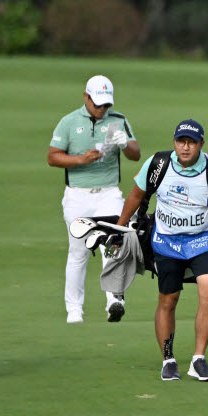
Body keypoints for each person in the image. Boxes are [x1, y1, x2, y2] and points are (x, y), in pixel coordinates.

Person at [115, 119, 208, 381]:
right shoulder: (157, 164)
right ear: (174, 142)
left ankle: (198, 359)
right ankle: (168, 359)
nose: (186, 147)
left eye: (191, 142)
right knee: (168, 301)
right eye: (181, 141)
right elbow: (135, 196)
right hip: (166, 244)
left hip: (201, 243)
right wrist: (119, 228)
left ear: (201, 144)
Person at [47, 75, 141, 324]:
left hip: (109, 193)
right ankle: (74, 310)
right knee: (78, 252)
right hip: (77, 194)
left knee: (113, 246)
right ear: (86, 97)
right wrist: (80, 160)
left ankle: (114, 301)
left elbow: (136, 154)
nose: (102, 109)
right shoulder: (69, 122)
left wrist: (124, 144)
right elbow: (53, 157)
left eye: (106, 105)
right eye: (97, 104)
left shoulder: (118, 120)